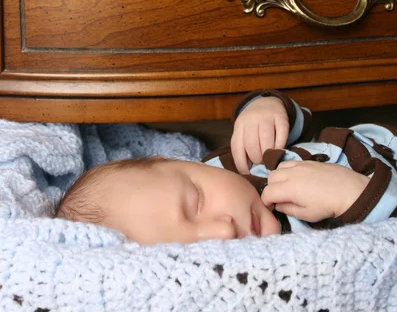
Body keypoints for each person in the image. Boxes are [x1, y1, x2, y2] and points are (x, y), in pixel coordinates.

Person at [55, 89, 397, 244]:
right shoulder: (297, 248)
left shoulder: (228, 164)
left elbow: (296, 125)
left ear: (188, 163)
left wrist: (265, 108)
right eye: (195, 250)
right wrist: (352, 198)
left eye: (197, 203)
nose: (222, 232)